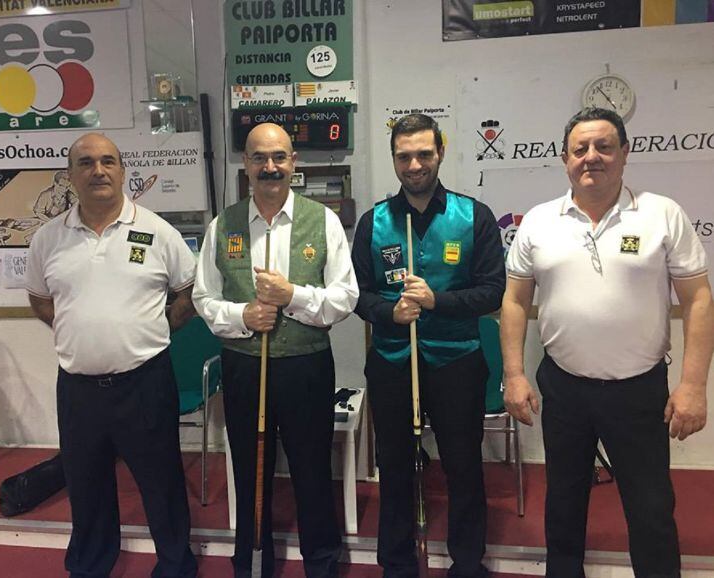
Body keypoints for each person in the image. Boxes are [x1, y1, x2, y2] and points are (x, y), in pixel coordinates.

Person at [501, 107, 714, 578]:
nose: (591, 157)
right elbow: (515, 301)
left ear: (624, 154)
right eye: (581, 149)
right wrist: (513, 375)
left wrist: (693, 386)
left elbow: (699, 301)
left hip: (638, 391)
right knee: (563, 505)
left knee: (652, 510)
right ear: (564, 159)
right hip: (564, 388)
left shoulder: (662, 215)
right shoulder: (538, 221)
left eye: (603, 147)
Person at [25, 133, 198, 578]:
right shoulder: (48, 238)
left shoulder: (157, 231)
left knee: (162, 483)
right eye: (86, 163)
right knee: (86, 485)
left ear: (123, 171)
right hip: (78, 388)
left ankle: (176, 564)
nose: (98, 170)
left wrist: (153, 328)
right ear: (70, 176)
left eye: (108, 161)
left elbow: (188, 292)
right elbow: (41, 301)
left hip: (145, 382)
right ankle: (90, 564)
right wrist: (79, 330)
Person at [192, 123, 358, 578]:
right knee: (250, 470)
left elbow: (345, 298)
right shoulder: (221, 225)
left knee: (312, 472)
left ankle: (321, 563)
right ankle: (252, 562)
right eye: (259, 158)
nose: (270, 167)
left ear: (293, 163)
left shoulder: (322, 220)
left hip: (307, 367)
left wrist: (294, 297)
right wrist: (243, 316)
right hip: (244, 367)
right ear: (245, 164)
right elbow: (202, 299)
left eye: (279, 157)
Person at [351, 113, 506, 578]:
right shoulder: (374, 222)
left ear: (439, 151)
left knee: (463, 468)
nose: (414, 164)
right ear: (394, 159)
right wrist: (388, 312)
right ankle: (397, 564)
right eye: (404, 156)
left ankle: (467, 562)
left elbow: (493, 290)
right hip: (393, 362)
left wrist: (437, 300)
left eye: (423, 153)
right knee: (395, 469)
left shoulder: (472, 215)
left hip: (456, 362)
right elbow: (356, 293)